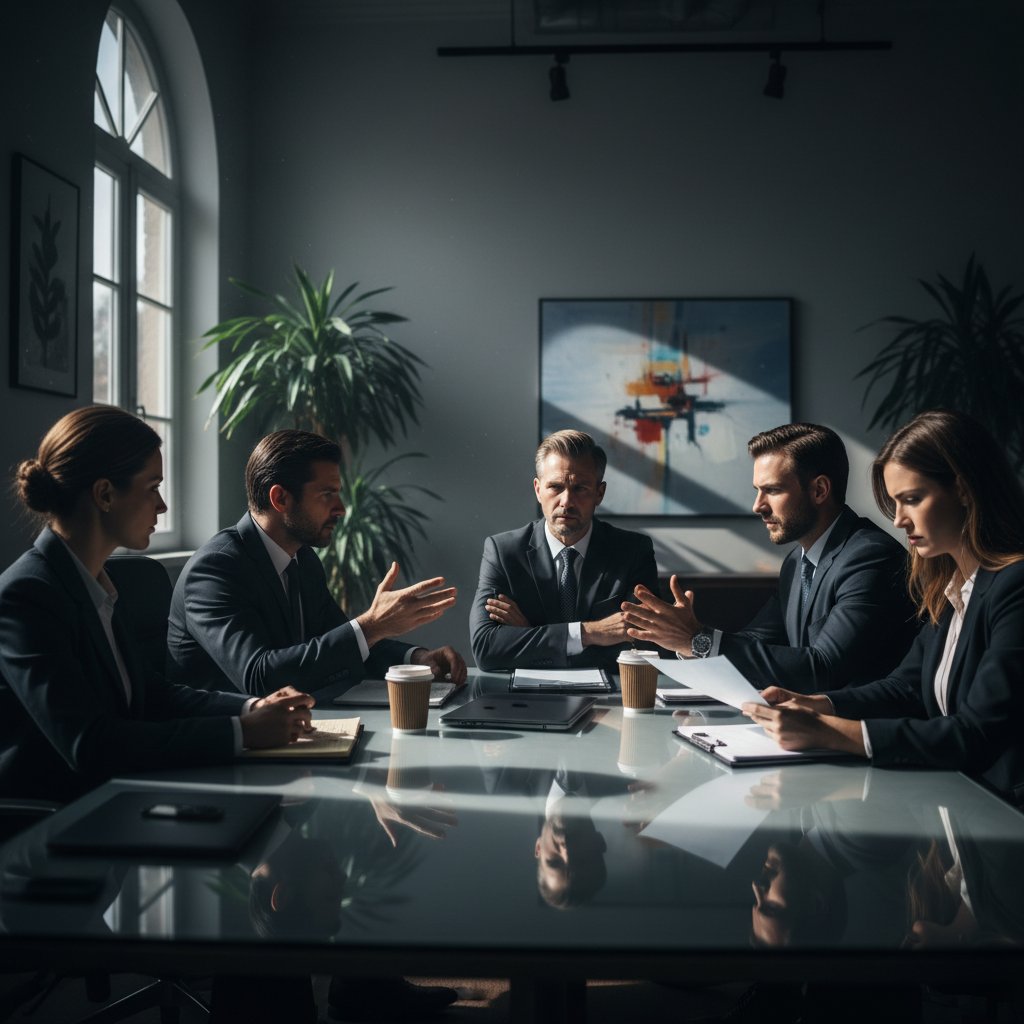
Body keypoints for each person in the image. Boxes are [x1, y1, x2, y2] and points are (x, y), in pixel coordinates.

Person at [0, 407, 314, 802]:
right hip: (62, 823)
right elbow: (91, 744)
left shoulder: (96, 582)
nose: (162, 506)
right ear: (105, 494)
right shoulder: (26, 595)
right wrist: (242, 733)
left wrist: (252, 707)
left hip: (128, 794)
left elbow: (151, 694)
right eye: (152, 488)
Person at [743, 411, 1024, 806]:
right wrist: (818, 704)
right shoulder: (951, 588)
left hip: (1005, 818)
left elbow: (974, 734)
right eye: (894, 503)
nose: (898, 520)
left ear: (963, 490)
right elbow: (905, 687)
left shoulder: (1015, 586)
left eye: (912, 499)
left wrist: (830, 731)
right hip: (956, 801)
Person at [167, 430, 467, 697]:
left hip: (288, 731)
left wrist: (415, 659)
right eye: (327, 494)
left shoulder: (303, 558)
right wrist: (373, 625)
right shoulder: (216, 569)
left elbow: (339, 643)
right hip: (225, 748)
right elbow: (258, 676)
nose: (342, 509)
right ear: (280, 499)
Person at [621, 422, 916, 692]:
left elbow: (825, 668)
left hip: (863, 741)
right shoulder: (796, 562)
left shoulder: (870, 557)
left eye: (772, 490)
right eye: (757, 491)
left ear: (819, 490)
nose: (757, 506)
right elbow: (755, 641)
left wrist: (698, 639)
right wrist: (690, 642)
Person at [470, 429, 659, 671]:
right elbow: (487, 650)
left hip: (608, 701)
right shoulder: (504, 552)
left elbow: (644, 647)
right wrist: (590, 633)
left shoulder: (633, 551)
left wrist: (531, 636)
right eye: (556, 487)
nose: (566, 501)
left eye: (580, 488)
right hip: (526, 702)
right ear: (538, 490)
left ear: (599, 493)